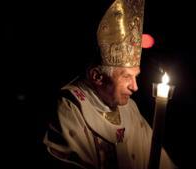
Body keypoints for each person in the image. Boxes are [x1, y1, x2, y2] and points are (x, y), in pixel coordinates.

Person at [43, 0, 177, 168]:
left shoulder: (130, 108)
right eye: (126, 77)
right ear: (97, 76)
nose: (134, 87)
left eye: (136, 76)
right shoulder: (70, 107)